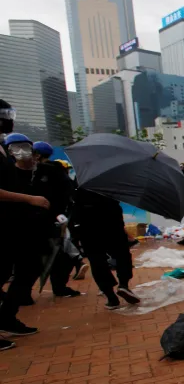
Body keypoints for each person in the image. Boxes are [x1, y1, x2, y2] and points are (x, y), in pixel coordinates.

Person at [0, 133, 51, 349]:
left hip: (20, 225)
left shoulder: (38, 170)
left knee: (30, 268)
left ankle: (7, 317)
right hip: (4, 225)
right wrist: (29, 199)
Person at [70, 185, 140, 310]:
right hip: (112, 224)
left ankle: (111, 297)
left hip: (88, 227)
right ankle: (123, 284)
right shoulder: (111, 182)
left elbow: (74, 204)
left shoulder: (82, 181)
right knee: (122, 255)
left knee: (97, 261)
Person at [31, 142, 81, 297]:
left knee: (52, 255)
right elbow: (69, 193)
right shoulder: (54, 171)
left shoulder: (43, 171)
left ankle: (26, 292)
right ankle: (59, 286)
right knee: (58, 255)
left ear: (37, 155)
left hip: (44, 220)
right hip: (52, 219)